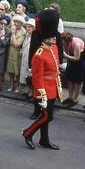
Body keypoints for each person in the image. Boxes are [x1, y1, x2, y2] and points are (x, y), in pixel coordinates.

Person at [22, 9, 63, 151]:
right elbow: (37, 78)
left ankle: (44, 140)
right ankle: (27, 133)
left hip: (53, 87)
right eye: (52, 37)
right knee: (47, 117)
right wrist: (42, 96)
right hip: (44, 90)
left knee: (47, 116)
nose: (54, 39)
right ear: (45, 38)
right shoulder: (39, 55)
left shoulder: (54, 48)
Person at [61, 31, 85, 107]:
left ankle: (75, 99)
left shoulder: (76, 44)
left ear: (67, 40)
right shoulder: (64, 43)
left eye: (63, 41)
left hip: (80, 61)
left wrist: (66, 56)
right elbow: (65, 51)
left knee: (77, 81)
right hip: (71, 60)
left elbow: (77, 58)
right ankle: (70, 97)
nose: (62, 42)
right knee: (69, 79)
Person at [6, 15, 27, 93]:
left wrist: (14, 34)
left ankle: (18, 85)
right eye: (15, 22)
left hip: (17, 52)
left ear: (21, 24)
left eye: (18, 22)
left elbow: (17, 44)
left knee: (17, 70)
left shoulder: (23, 32)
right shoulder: (12, 28)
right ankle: (12, 85)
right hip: (10, 50)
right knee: (10, 69)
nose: (16, 24)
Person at [20, 19, 36, 101]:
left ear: (34, 28)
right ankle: (29, 91)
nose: (27, 28)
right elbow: (24, 45)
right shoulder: (27, 35)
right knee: (26, 76)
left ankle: (31, 93)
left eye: (30, 27)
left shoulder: (35, 37)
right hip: (25, 58)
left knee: (30, 76)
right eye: (27, 27)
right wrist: (22, 50)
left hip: (31, 59)